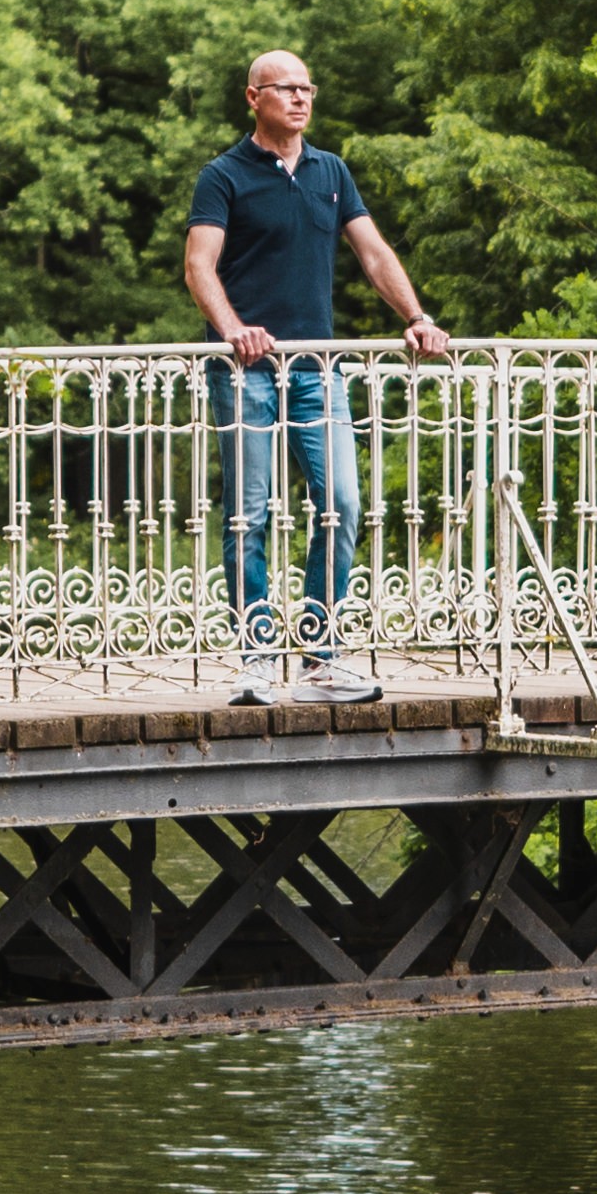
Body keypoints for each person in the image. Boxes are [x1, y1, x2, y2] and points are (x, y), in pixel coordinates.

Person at [178, 49, 453, 704]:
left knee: (342, 503)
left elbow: (372, 251)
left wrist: (415, 316)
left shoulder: (332, 171)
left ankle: (320, 658)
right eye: (286, 88)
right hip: (244, 369)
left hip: (316, 368)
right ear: (254, 97)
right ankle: (255, 660)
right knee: (248, 514)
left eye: (308, 89)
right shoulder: (224, 176)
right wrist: (232, 329)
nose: (300, 99)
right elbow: (199, 266)